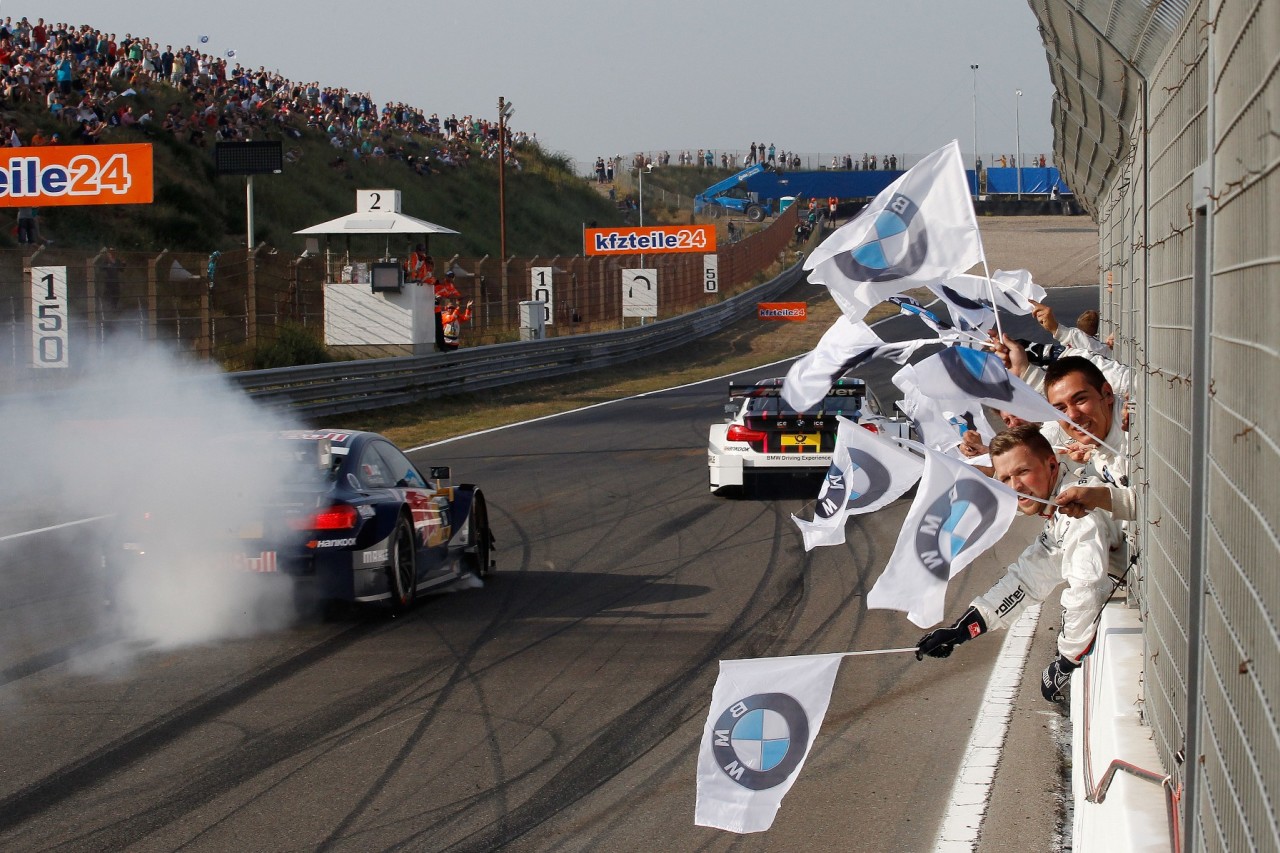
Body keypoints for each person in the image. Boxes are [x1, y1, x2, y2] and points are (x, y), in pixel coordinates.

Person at [915, 424, 1120, 701]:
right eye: (1005, 479)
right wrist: (962, 629)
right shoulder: (1061, 504)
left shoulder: (1079, 510)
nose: (1016, 487)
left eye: (1023, 472)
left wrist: (1066, 661)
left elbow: (1088, 590)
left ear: (1050, 464)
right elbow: (1027, 579)